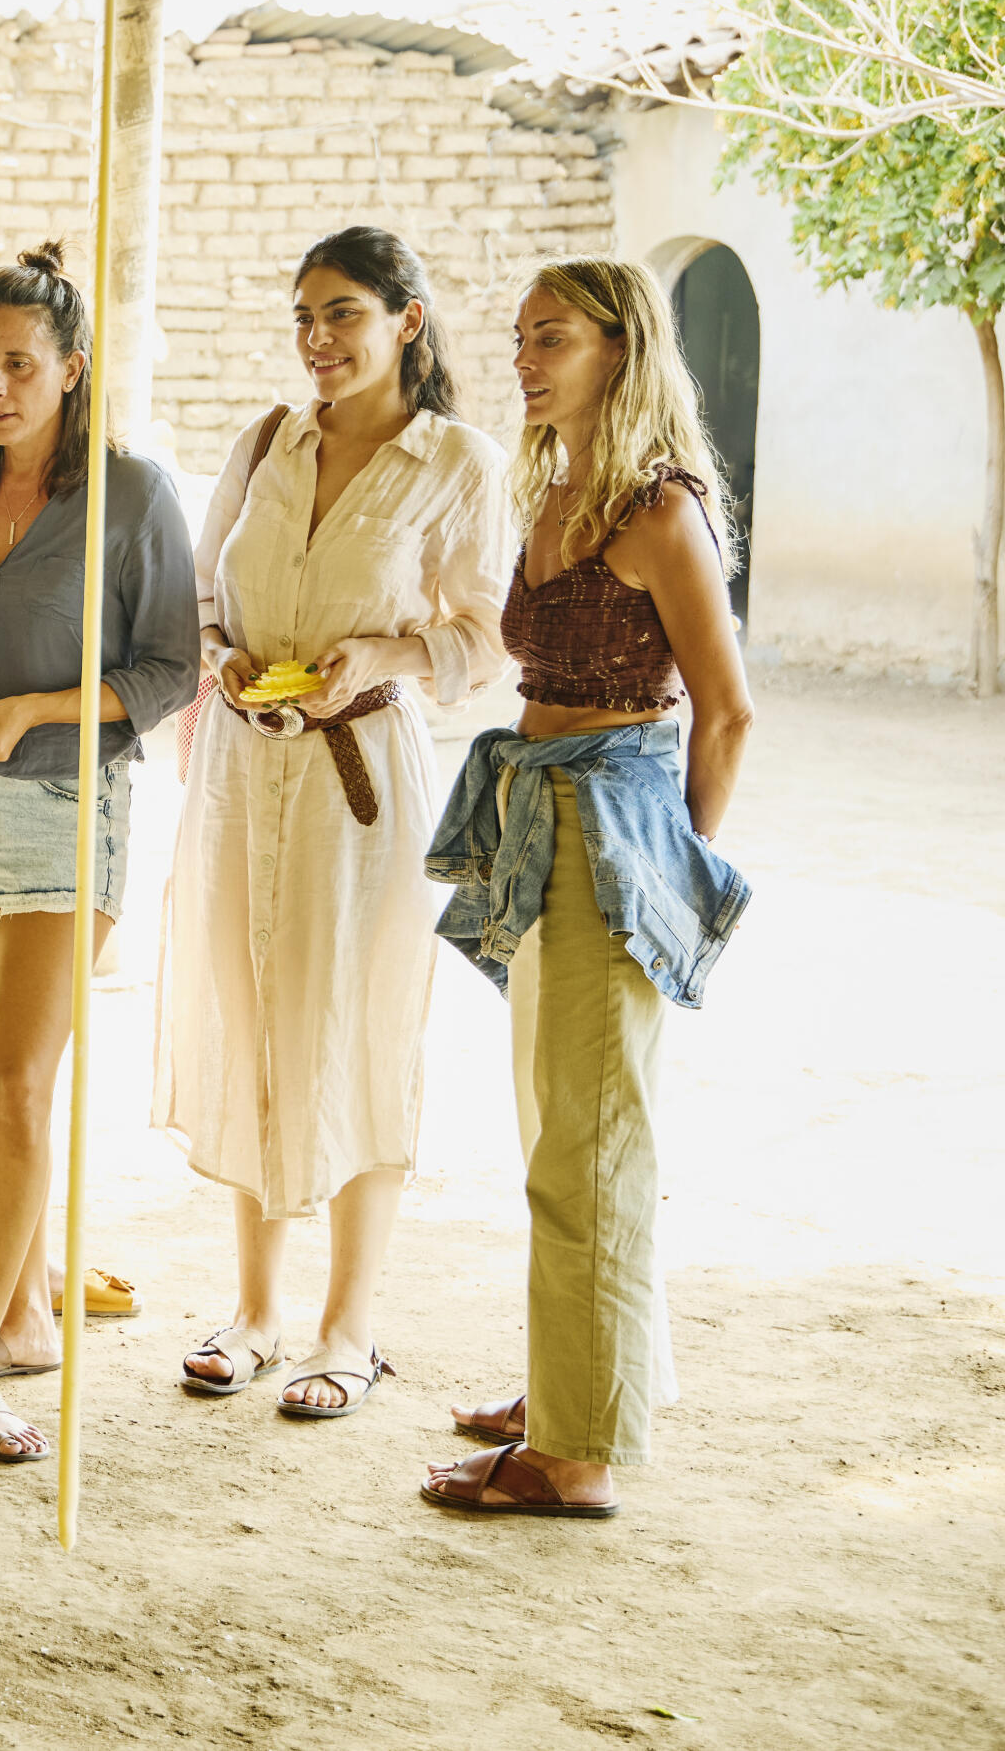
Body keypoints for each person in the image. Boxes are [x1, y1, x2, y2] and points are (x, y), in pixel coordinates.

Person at [155, 227, 510, 1416]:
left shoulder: (457, 461)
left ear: (407, 320)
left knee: (360, 1025)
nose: (316, 339)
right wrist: (226, 656)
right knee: (250, 1010)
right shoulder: (266, 441)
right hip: (241, 774)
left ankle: (346, 1328)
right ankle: (253, 1311)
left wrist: (383, 651)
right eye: (304, 315)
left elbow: (485, 639)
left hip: (365, 778)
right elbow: (199, 599)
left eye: (342, 314)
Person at [422, 257, 753, 1517]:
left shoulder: (660, 512)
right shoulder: (557, 492)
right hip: (539, 817)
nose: (523, 356)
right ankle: (588, 1380)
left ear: (621, 347)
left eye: (549, 336)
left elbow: (725, 714)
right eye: (517, 336)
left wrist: (668, 864)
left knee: (589, 1149)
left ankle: (576, 1452)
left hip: (611, 829)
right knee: (568, 1127)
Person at [0, 243, 197, 1462]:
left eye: (19, 364)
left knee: (15, 1087)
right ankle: (18, 1317)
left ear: (71, 367)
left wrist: (35, 714)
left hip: (60, 809)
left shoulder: (132, 496)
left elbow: (170, 670)